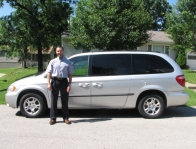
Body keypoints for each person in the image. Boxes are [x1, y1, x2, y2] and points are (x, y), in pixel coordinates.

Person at [46, 46, 74, 125]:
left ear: (63, 51)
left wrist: (69, 85)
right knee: (53, 100)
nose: (59, 52)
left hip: (64, 82)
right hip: (55, 81)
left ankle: (66, 118)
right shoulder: (52, 62)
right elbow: (49, 73)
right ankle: (53, 118)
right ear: (56, 52)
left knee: (64, 101)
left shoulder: (67, 62)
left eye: (60, 51)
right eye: (58, 51)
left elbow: (70, 74)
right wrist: (48, 83)